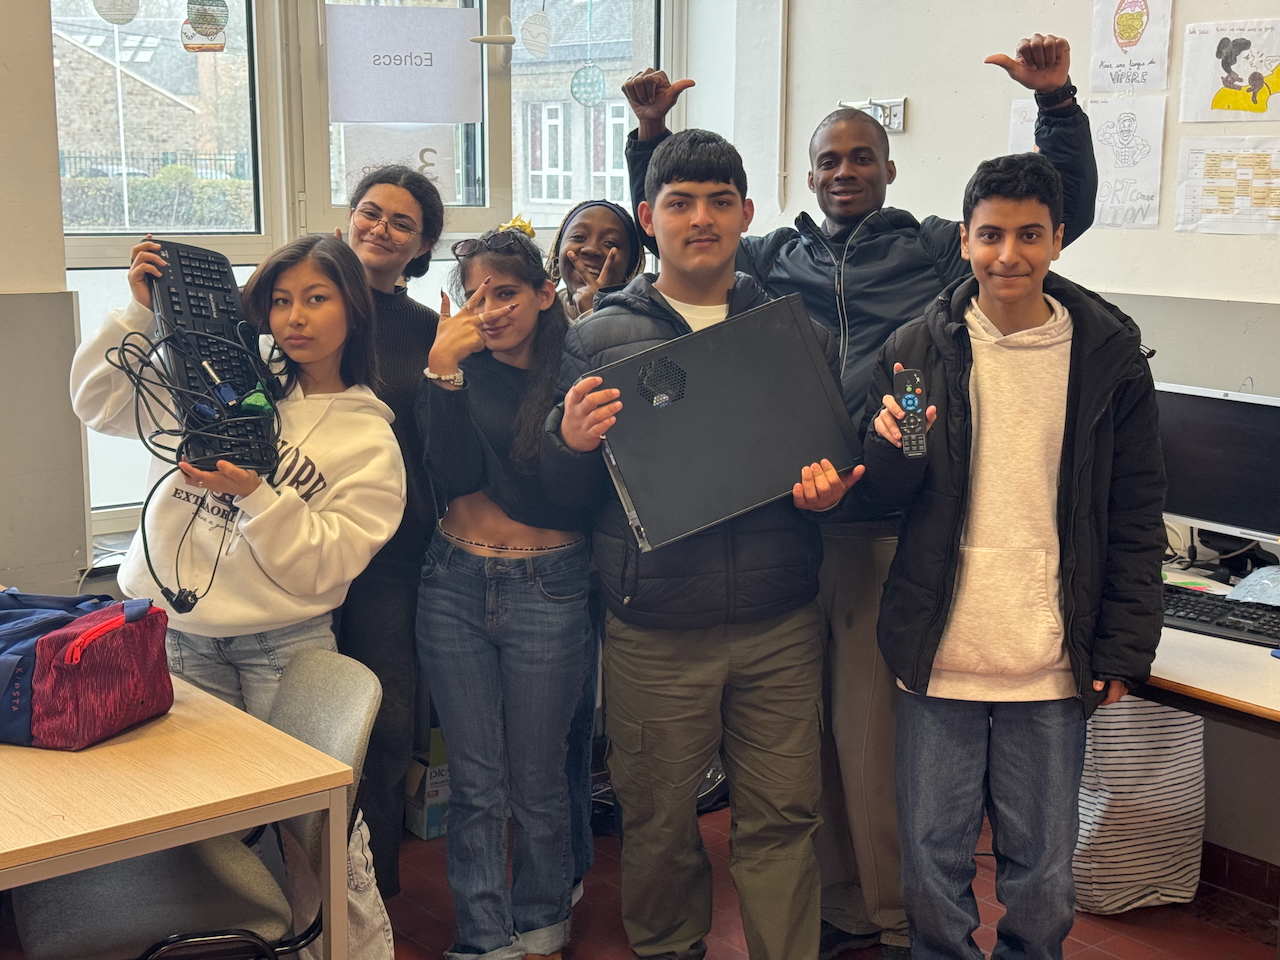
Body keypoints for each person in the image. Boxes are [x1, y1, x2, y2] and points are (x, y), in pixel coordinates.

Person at [621, 33, 1098, 958]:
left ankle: (884, 915)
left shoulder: (932, 249)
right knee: (807, 749)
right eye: (829, 161)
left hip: (887, 523)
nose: (845, 172)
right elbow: (678, 232)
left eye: (862, 157)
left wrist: (1058, 106)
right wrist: (651, 136)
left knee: (871, 740)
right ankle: (838, 904)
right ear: (807, 177)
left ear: (888, 168)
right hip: (793, 523)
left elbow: (1054, 213)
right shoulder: (775, 258)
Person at [540, 128, 862, 960]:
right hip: (655, 628)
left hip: (778, 621)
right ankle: (667, 947)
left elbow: (828, 463)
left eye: (720, 202)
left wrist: (827, 495)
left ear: (746, 214)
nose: (701, 219)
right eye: (680, 203)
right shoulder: (597, 338)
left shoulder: (792, 331)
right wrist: (567, 442)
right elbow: (565, 497)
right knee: (657, 820)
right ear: (649, 218)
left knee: (784, 815)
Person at [858, 152, 1165, 960]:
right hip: (941, 651)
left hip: (1051, 657)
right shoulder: (917, 349)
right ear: (964, 239)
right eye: (991, 234)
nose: (1008, 255)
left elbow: (1136, 512)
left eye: (1029, 235)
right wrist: (887, 449)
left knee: (1044, 873)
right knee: (932, 862)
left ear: (1058, 238)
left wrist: (1124, 648)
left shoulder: (1108, 357)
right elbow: (892, 490)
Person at [71, 233, 407, 957]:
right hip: (176, 635)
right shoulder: (217, 379)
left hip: (282, 649)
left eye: (316, 298)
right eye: (281, 300)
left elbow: (325, 567)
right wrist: (139, 315)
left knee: (324, 843)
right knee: (194, 829)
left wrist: (257, 495)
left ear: (353, 310)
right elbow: (98, 405)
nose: (296, 317)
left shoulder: (370, 441)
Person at [415, 225, 593, 960]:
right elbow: (454, 475)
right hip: (452, 582)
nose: (488, 312)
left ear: (546, 295)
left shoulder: (575, 371)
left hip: (549, 585)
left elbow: (558, 496)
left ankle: (544, 918)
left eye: (507, 294)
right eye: (475, 297)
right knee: (476, 781)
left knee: (539, 778)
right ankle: (484, 937)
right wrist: (444, 376)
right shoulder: (455, 369)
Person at [336, 164, 445, 898]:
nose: (380, 228)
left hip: (391, 557)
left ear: (422, 245)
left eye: (401, 222)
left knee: (381, 719)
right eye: (370, 212)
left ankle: (371, 897)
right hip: (290, 548)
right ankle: (299, 882)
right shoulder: (307, 304)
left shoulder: (429, 329)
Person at [544, 197, 646, 900]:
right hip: (545, 552)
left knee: (589, 720)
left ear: (635, 260)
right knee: (557, 719)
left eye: (613, 243)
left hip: (614, 549)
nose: (593, 250)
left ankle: (577, 857)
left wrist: (598, 308)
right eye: (580, 236)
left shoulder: (629, 327)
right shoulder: (529, 313)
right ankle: (557, 859)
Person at [546, 198, 645, 320]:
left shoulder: (642, 323)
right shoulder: (535, 315)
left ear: (630, 266)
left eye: (610, 243)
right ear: (558, 250)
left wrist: (592, 312)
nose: (592, 249)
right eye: (579, 237)